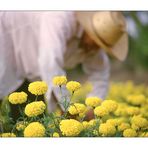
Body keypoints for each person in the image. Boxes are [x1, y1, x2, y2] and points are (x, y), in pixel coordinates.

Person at [0, 11, 128, 113]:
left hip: (30, 71)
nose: (95, 48)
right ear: (90, 29)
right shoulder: (58, 18)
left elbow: (101, 74)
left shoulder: (93, 46)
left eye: (102, 45)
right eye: (96, 41)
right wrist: (67, 107)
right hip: (5, 38)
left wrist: (94, 109)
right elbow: (49, 62)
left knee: (31, 124)